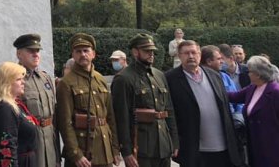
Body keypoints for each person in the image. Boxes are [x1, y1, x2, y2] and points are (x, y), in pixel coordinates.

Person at [165, 40, 242, 167]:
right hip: (194, 150)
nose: (190, 56)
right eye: (186, 53)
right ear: (179, 56)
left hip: (223, 147)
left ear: (199, 54)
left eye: (193, 52)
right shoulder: (170, 79)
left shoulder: (215, 75)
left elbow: (225, 110)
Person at [111, 33, 179, 167]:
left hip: (163, 143)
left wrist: (174, 140)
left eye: (152, 51)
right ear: (135, 52)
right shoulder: (124, 79)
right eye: (147, 51)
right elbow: (121, 117)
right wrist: (126, 151)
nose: (151, 54)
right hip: (141, 146)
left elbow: (169, 110)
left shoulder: (159, 75)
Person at [56, 32, 121, 167]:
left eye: (86, 50)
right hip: (83, 151)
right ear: (73, 55)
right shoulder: (67, 83)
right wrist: (76, 154)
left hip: (104, 149)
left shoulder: (100, 79)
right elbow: (65, 122)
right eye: (78, 51)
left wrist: (114, 149)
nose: (82, 54)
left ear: (93, 54)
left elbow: (110, 117)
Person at [13, 33, 59, 167]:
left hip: (50, 140)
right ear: (19, 54)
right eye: (30, 51)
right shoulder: (15, 79)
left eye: (37, 50)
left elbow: (53, 116)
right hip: (30, 143)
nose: (36, 54)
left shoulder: (46, 78)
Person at [227, 55, 279, 167]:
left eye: (250, 71)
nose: (248, 74)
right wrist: (215, 89)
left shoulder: (276, 92)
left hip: (272, 145)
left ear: (258, 74)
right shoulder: (252, 88)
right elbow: (233, 96)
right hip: (255, 142)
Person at [0, 62, 38, 166]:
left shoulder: (14, 104)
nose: (23, 82)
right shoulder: (5, 109)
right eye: (18, 79)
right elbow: (8, 149)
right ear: (6, 83)